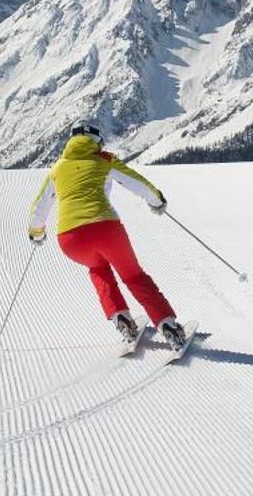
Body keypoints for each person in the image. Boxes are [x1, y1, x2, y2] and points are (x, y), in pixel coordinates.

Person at [27, 122, 189, 349]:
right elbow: (137, 183)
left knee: (99, 270)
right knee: (133, 276)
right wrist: (157, 201)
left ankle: (121, 320)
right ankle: (169, 327)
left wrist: (36, 233)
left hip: (70, 239)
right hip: (106, 229)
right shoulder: (104, 159)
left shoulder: (57, 169)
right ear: (96, 140)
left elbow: (39, 207)